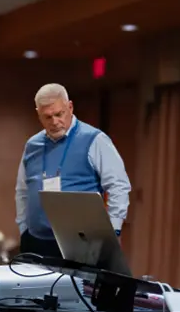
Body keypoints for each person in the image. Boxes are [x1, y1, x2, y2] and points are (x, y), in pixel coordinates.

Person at [16, 83, 131, 257]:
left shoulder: (94, 140)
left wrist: (113, 231)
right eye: (47, 117)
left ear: (70, 107)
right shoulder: (32, 145)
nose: (54, 122)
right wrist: (23, 228)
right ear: (38, 114)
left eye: (59, 114)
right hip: (36, 241)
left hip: (82, 243)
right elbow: (22, 191)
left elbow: (118, 186)